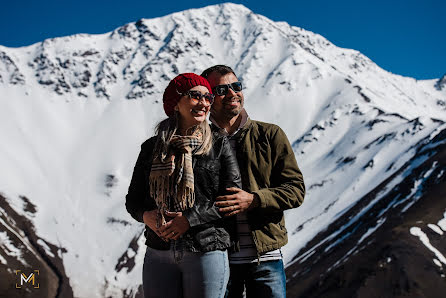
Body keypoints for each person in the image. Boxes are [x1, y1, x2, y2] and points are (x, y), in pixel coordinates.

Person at [125, 73, 241, 298]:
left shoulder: (218, 144)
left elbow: (232, 198)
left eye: (208, 97)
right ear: (175, 103)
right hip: (159, 251)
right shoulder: (151, 148)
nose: (204, 103)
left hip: (207, 249)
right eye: (196, 96)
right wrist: (146, 216)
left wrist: (189, 220)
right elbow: (133, 200)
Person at [200, 65, 306, 298]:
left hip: (266, 258)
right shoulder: (198, 143)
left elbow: (296, 190)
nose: (232, 94)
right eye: (222, 90)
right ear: (208, 99)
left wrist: (255, 199)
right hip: (218, 258)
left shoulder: (270, 135)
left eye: (236, 86)